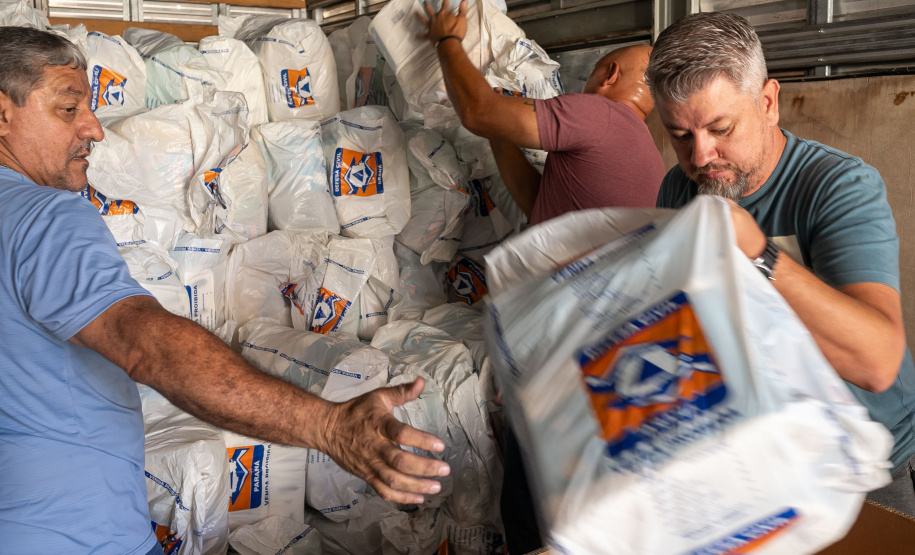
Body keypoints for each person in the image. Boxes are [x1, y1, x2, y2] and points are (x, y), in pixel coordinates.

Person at [0, 26, 450, 555]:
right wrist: (330, 426)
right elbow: (146, 345)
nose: (95, 130)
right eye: (68, 109)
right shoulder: (42, 218)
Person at [646, 12, 915, 515]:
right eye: (680, 135)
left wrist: (759, 254)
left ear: (768, 103)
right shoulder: (678, 189)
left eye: (720, 128)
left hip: (863, 466)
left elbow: (877, 364)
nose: (701, 156)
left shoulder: (839, 187)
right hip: (758, 457)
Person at [418, 0, 666, 226]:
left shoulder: (601, 114)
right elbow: (539, 205)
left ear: (610, 74)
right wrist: (500, 128)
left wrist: (447, 39)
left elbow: (477, 112)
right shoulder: (649, 157)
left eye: (592, 72)